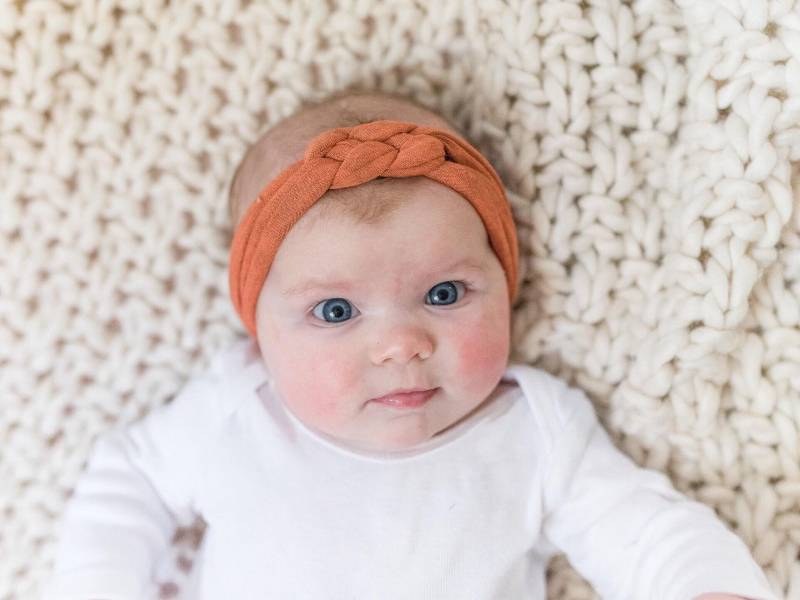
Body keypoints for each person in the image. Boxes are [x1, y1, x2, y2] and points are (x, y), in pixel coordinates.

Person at [44, 90, 779, 600]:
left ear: (506, 282)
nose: (400, 344)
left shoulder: (530, 431)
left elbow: (643, 532)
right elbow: (127, 483)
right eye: (335, 310)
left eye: (445, 295)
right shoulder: (238, 411)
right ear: (259, 329)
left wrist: (703, 584)